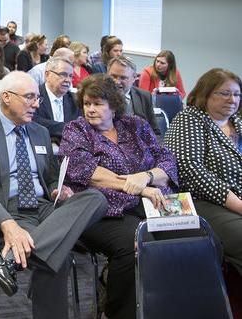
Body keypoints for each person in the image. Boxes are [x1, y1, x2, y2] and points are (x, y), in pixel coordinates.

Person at [0, 71, 107, 319]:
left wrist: (59, 187)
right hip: (6, 209)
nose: (36, 104)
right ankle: (31, 254)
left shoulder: (39, 132)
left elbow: (50, 175)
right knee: (58, 258)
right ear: (6, 97)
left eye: (37, 98)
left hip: (44, 207)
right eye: (30, 97)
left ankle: (9, 261)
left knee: (96, 198)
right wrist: (8, 225)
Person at [59, 74, 179, 319]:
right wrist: (138, 187)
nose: (90, 109)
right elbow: (85, 170)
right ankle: (115, 313)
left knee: (188, 238)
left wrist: (146, 176)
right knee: (136, 242)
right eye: (87, 103)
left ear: (113, 105)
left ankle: (162, 306)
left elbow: (167, 160)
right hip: (102, 211)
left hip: (150, 204)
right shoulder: (77, 130)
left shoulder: (136, 125)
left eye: (98, 104)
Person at [163, 68, 242, 276]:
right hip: (201, 201)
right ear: (205, 94)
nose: (232, 99)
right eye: (224, 93)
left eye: (236, 94)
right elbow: (192, 172)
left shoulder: (239, 123)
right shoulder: (190, 119)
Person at [107, 56, 160, 136]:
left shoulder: (144, 97)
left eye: (123, 78)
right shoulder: (98, 97)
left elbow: (155, 131)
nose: (117, 82)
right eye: (113, 76)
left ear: (134, 77)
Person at [34, 57, 80, 144]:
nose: (68, 80)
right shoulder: (34, 96)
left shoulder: (74, 100)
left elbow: (79, 127)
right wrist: (66, 127)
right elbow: (34, 122)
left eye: (70, 76)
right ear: (47, 75)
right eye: (63, 74)